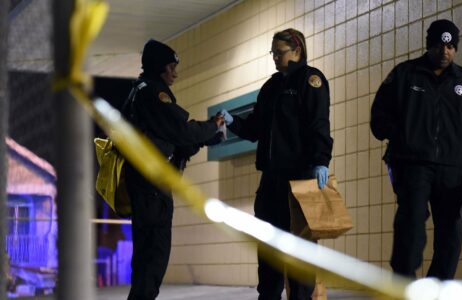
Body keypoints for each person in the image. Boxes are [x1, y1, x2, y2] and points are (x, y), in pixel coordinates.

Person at [370, 19, 462, 280]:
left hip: (451, 167)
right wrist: (402, 135)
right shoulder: (405, 74)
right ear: (430, 45)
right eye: (440, 45)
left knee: (451, 232)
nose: (445, 52)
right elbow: (379, 117)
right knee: (411, 224)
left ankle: (436, 288)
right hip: (412, 164)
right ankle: (404, 286)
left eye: (451, 47)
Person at [220, 28, 333, 300]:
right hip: (271, 181)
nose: (274, 57)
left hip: (300, 178)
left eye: (279, 52)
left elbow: (318, 125)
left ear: (297, 51)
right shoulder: (270, 87)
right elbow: (257, 127)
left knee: (299, 256)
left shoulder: (311, 80)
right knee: (269, 253)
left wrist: (320, 161)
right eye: (272, 52)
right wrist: (235, 123)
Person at [123, 39, 224, 300]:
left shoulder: (138, 90)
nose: (175, 73)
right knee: (154, 256)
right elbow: (180, 130)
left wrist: (203, 138)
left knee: (146, 257)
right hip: (152, 188)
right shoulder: (154, 93)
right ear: (159, 67)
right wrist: (212, 125)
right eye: (171, 67)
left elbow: (172, 140)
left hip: (144, 185)